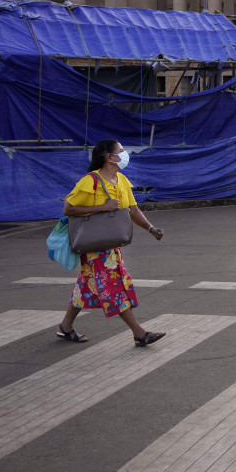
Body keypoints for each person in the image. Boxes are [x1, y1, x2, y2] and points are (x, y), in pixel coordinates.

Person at [55, 139, 166, 347]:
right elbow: (68, 209)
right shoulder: (91, 180)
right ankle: (139, 333)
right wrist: (102, 208)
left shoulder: (121, 179)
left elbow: (132, 210)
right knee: (113, 289)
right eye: (121, 151)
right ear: (109, 157)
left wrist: (150, 228)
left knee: (86, 287)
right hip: (95, 248)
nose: (125, 154)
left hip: (112, 247)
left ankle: (65, 327)